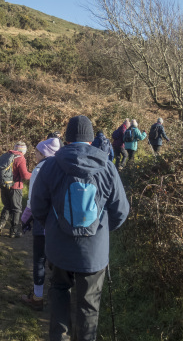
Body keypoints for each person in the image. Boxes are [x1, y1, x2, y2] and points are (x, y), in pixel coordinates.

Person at [31, 115, 130, 340]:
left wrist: (54, 226)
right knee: (89, 305)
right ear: (91, 138)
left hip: (58, 248)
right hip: (94, 252)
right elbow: (121, 211)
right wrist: (101, 230)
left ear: (67, 138)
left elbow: (38, 207)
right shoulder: (107, 166)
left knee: (58, 294)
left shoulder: (51, 165)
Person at [19, 137, 60, 310]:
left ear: (44, 153)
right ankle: (59, 296)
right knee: (57, 260)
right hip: (60, 224)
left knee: (39, 260)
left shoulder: (40, 169)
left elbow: (33, 199)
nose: (34, 155)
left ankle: (37, 297)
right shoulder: (61, 167)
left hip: (42, 223)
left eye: (37, 152)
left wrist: (24, 218)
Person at [0, 141, 32, 238]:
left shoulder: (6, 155)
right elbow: (25, 175)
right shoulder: (20, 158)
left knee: (7, 206)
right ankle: (14, 231)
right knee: (16, 209)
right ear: (23, 150)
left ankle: (0, 224)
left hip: (4, 185)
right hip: (15, 187)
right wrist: (35, 174)